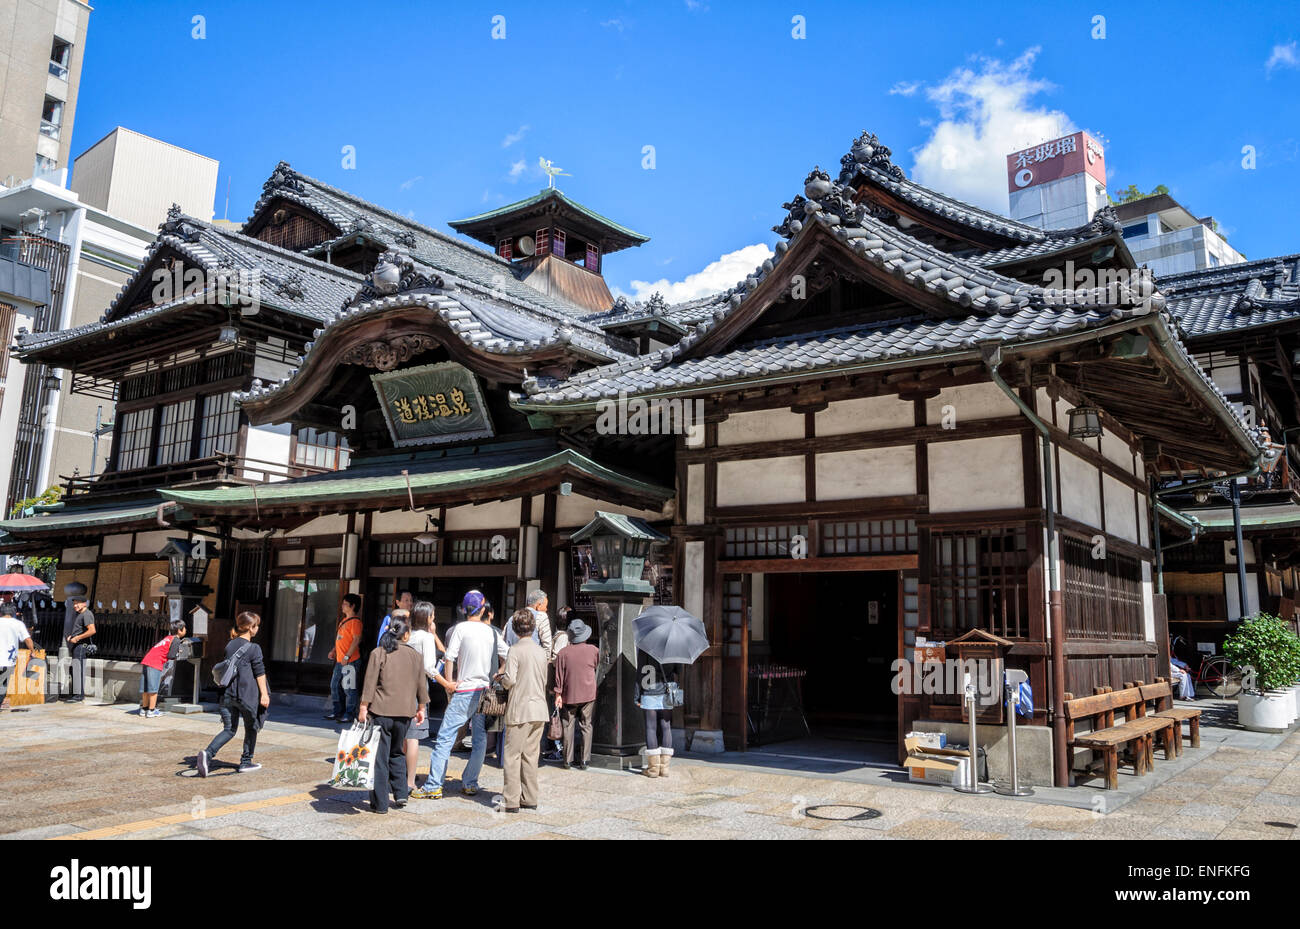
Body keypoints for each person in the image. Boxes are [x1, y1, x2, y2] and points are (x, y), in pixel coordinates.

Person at [412, 590, 507, 800]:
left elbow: (450, 656)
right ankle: (470, 782)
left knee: (445, 737)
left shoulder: (460, 629)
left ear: (464, 610)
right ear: (482, 609)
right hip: (485, 690)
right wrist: (498, 674)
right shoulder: (491, 632)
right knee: (480, 738)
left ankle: (434, 785)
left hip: (464, 690)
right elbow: (508, 654)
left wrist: (449, 683)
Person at [358, 616, 428, 813]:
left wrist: (363, 707)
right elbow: (421, 685)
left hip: (380, 711)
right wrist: (421, 708)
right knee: (397, 752)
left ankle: (380, 804)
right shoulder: (415, 656)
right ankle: (401, 794)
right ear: (406, 634)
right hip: (405, 713)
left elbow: (370, 683)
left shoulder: (378, 653)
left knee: (380, 758)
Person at [197, 612, 269, 777]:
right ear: (251, 628)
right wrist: (264, 694)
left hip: (227, 694)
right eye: (256, 625)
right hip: (246, 696)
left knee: (229, 729)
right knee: (252, 727)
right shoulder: (254, 648)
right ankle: (246, 761)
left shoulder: (230, 645)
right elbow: (260, 672)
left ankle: (208, 753)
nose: (257, 628)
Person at [500, 609, 548, 812]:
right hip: (539, 708)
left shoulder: (515, 650)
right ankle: (530, 796)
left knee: (512, 755)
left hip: (520, 708)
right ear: (533, 628)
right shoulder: (540, 651)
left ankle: (511, 799)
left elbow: (509, 679)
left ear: (515, 628)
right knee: (531, 755)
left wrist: (500, 679)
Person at [403, 600, 449, 795]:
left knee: (402, 734)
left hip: (399, 687)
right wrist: (447, 684)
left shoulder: (407, 635)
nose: (434, 618)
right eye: (432, 615)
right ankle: (410, 781)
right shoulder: (426, 638)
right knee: (413, 736)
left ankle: (398, 774)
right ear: (427, 618)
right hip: (416, 688)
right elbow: (429, 668)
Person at [554, 618, 599, 769]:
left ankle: (567, 760)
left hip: (569, 694)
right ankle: (585, 760)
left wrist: (557, 694)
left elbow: (559, 676)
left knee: (568, 725)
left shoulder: (563, 653)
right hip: (588, 693)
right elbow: (597, 666)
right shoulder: (593, 650)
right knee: (587, 725)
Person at [636, 651, 679, 778]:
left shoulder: (646, 649)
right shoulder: (674, 649)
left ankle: (653, 769)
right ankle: (664, 768)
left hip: (649, 690)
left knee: (650, 728)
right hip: (667, 692)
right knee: (666, 726)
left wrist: (637, 695)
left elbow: (641, 672)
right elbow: (678, 671)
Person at [325, 593, 364, 723]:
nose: (342, 606)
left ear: (352, 606)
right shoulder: (344, 620)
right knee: (334, 685)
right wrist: (333, 650)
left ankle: (350, 713)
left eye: (345, 604)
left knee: (349, 687)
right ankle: (338, 711)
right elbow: (340, 639)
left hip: (350, 660)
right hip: (340, 659)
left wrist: (347, 655)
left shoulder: (356, 622)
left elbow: (356, 640)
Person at [139, 619, 186, 717]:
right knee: (153, 689)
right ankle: (151, 711)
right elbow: (171, 656)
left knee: (146, 688)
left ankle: (144, 709)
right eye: (184, 628)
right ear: (179, 630)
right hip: (155, 663)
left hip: (146, 661)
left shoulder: (168, 637)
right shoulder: (176, 639)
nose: (185, 630)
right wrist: (178, 653)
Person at [0, 603, 37, 711]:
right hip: (8, 662)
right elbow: (28, 639)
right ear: (13, 612)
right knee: (3, 685)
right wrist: (32, 651)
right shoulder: (18, 624)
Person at [62, 596, 96, 703]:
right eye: (74, 604)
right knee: (74, 670)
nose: (75, 606)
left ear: (84, 604)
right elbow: (80, 630)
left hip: (81, 646)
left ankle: (79, 696)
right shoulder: (80, 614)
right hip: (77, 645)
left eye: (78, 603)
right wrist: (72, 637)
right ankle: (76, 694)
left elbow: (92, 630)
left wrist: (77, 638)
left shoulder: (87, 614)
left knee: (78, 670)